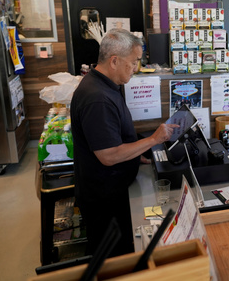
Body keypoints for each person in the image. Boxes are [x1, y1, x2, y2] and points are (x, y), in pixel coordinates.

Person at [70, 28, 178, 257]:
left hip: (112, 190)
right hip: (103, 199)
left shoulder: (105, 85)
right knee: (112, 257)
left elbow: (113, 135)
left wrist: (135, 154)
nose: (136, 68)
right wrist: (153, 140)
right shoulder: (97, 98)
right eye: (134, 62)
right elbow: (108, 155)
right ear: (114, 61)